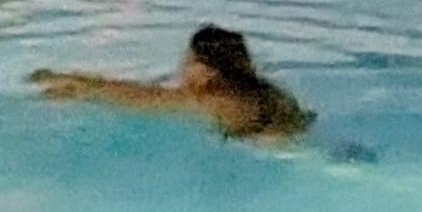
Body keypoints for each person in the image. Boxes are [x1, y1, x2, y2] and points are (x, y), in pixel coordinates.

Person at [30, 24, 313, 141]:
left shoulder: (215, 100)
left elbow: (144, 100)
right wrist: (83, 79)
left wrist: (84, 92)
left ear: (208, 71)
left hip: (298, 162)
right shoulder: (265, 90)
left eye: (189, 61)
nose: (183, 67)